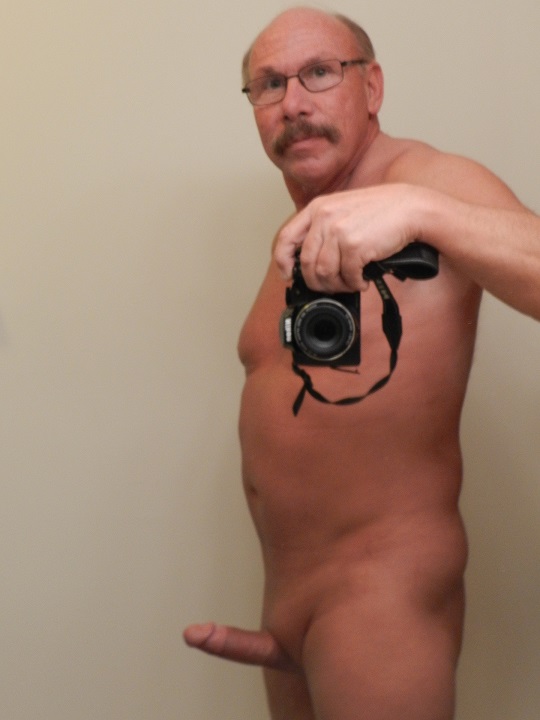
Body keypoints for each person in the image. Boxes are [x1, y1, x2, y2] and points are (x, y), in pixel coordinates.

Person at [184, 8, 540, 720]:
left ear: (371, 87)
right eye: (269, 84)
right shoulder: (312, 223)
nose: (294, 102)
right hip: (289, 605)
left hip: (380, 596)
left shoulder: (425, 181)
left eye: (320, 73)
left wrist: (422, 211)